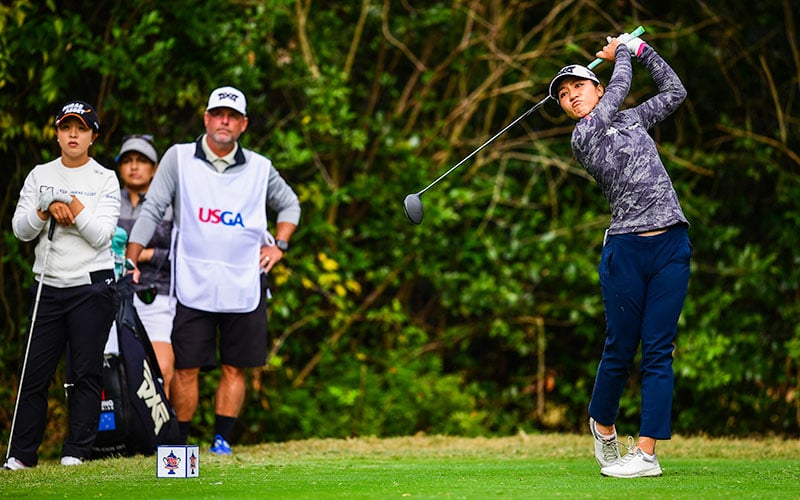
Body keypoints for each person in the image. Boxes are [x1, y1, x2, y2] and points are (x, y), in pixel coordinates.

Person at [125, 86, 301, 455]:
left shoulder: (260, 167)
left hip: (244, 281)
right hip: (193, 280)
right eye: (218, 114)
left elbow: (290, 205)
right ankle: (181, 444)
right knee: (187, 368)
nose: (225, 121)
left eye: (233, 116)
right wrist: (132, 255)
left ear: (243, 124)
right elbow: (154, 208)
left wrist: (279, 245)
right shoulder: (178, 158)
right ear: (206, 118)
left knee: (235, 367)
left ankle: (222, 440)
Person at [549, 33, 691, 478]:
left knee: (658, 351)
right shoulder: (583, 135)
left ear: (594, 85)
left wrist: (644, 52)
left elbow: (675, 92)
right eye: (563, 96)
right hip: (626, 251)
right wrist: (624, 51)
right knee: (619, 348)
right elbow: (619, 88)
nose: (570, 98)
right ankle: (603, 424)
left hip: (671, 244)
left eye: (577, 87)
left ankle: (646, 454)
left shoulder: (630, 121)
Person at [5, 100, 120, 469]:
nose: (73, 134)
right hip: (48, 286)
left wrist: (67, 199)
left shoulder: (105, 178)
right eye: (66, 127)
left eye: (81, 128)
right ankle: (22, 456)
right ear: (56, 133)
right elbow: (21, 231)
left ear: (93, 136)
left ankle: (76, 453)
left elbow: (102, 236)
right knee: (33, 373)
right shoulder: (39, 174)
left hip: (91, 287)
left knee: (83, 373)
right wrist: (44, 208)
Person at [113, 134, 175, 397]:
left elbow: (181, 253)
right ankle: (123, 437)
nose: (134, 166)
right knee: (115, 370)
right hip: (113, 295)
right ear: (120, 168)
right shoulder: (109, 201)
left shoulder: (171, 206)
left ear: (155, 168)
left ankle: (162, 438)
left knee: (161, 370)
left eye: (142, 161)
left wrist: (145, 255)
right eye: (128, 161)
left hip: (156, 294)